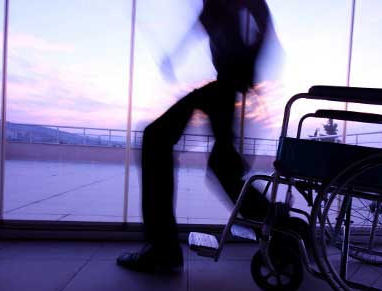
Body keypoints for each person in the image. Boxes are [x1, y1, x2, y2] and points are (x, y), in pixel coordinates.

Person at [117, 0, 277, 272]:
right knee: (222, 165)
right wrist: (177, 55)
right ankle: (282, 226)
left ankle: (163, 249)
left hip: (230, 86)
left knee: (157, 138)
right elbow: (208, 24)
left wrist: (246, 62)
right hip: (229, 85)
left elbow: (257, 19)